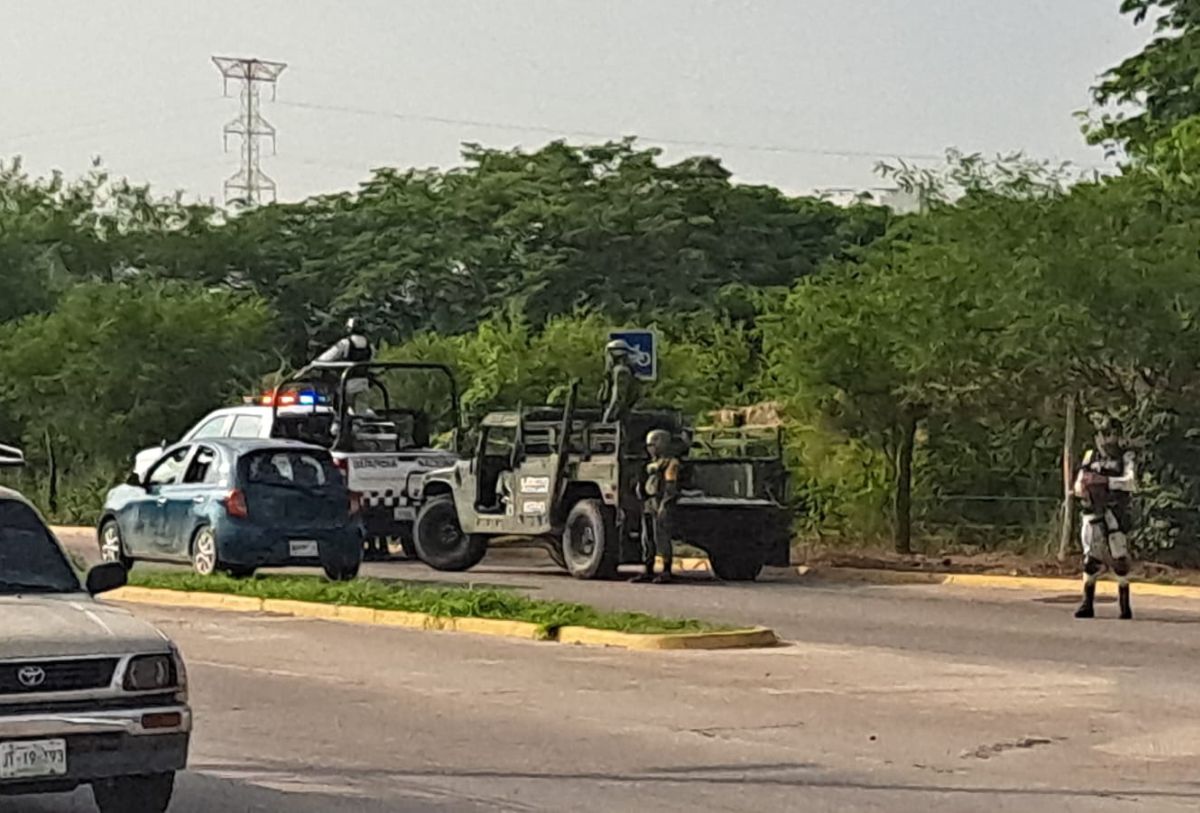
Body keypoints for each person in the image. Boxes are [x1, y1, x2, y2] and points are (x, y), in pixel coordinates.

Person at [1073, 416, 1137, 620]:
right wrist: (1081, 488)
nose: (1106, 439)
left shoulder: (1125, 457)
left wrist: (1105, 481)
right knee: (1090, 557)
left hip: (1115, 511)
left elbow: (1131, 483)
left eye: (1110, 433)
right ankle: (1087, 603)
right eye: (1103, 433)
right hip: (1092, 511)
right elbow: (1079, 482)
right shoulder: (1090, 456)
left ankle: (1124, 605)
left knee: (1119, 557)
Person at [632, 429, 680, 584]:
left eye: (652, 444)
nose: (649, 448)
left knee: (662, 537)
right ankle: (648, 569)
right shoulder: (651, 463)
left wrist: (664, 506)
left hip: (660, 502)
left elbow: (670, 488)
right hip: (649, 502)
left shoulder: (671, 463)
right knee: (647, 538)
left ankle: (666, 571)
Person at [600, 339, 641, 423]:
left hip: (619, 419)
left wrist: (609, 417)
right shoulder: (616, 371)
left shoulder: (621, 371)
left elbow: (618, 398)